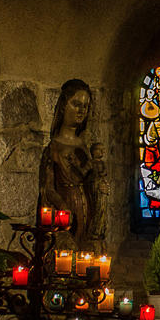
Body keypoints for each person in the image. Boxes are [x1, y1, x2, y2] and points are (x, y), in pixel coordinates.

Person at [40, 78, 102, 243]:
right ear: (62, 107)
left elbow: (90, 179)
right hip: (66, 210)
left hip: (87, 208)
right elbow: (47, 188)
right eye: (76, 104)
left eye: (85, 106)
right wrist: (62, 206)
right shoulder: (54, 147)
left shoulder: (84, 145)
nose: (82, 111)